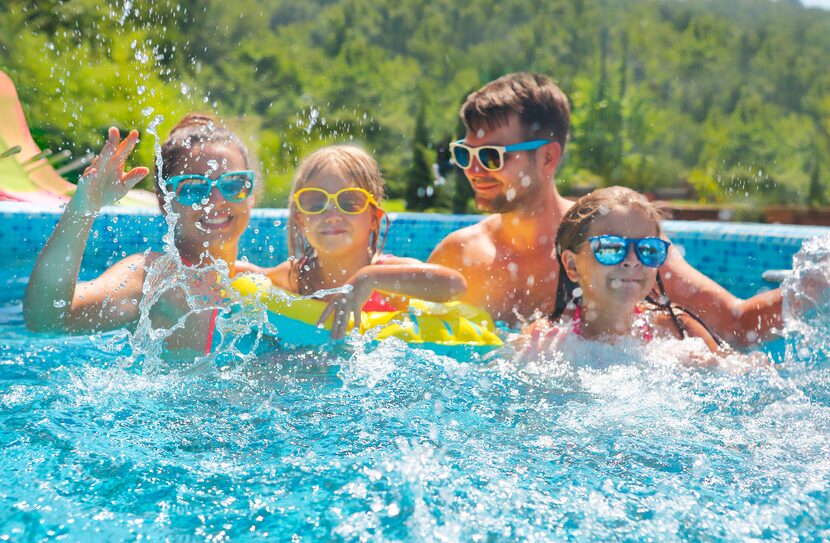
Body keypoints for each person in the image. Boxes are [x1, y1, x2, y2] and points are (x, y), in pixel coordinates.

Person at [428, 72, 781, 346]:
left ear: (548, 157)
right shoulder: (459, 255)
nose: (473, 170)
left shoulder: (615, 239)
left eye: (491, 156)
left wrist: (807, 286)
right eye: (464, 154)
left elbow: (737, 325)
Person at [24, 113, 265, 359]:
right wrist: (83, 209)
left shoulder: (261, 283)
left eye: (234, 184)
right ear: (164, 201)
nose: (216, 200)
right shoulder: (155, 278)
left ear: (251, 195)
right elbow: (49, 319)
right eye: (193, 187)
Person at [266, 145, 467, 340]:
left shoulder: (385, 274)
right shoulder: (296, 276)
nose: (332, 214)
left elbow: (454, 285)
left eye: (350, 202)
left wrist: (370, 278)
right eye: (316, 203)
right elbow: (241, 277)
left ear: (374, 218)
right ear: (301, 219)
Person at [519, 186, 727, 356]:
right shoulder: (546, 339)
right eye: (611, 247)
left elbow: (741, 371)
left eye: (647, 249)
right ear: (572, 266)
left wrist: (707, 368)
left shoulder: (676, 329)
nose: (632, 261)